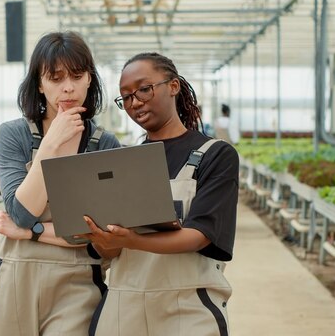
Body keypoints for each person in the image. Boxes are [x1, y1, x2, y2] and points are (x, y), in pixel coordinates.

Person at [82, 52, 239, 336]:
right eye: (126, 97)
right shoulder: (121, 161)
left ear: (174, 86)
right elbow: (111, 251)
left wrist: (133, 239)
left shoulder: (214, 155)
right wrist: (103, 238)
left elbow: (201, 234)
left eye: (144, 89)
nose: (135, 102)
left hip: (188, 308)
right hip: (123, 307)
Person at [0, 31, 120, 336]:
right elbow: (21, 211)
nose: (68, 87)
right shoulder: (13, 135)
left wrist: (29, 232)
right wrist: (50, 147)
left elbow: (101, 234)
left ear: (89, 80)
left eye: (76, 75)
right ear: (40, 85)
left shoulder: (104, 145)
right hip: (14, 279)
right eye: (55, 78)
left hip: (79, 280)